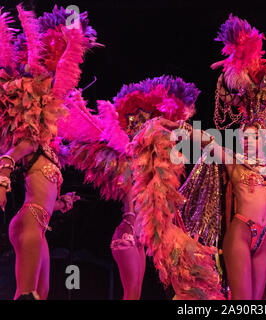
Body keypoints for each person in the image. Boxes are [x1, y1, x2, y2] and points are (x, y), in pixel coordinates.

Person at [173, 14, 266, 300]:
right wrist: (180, 127)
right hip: (240, 234)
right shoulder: (233, 160)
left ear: (264, 140)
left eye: (257, 137)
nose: (252, 141)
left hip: (264, 239)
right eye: (247, 137)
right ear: (240, 140)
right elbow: (206, 140)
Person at [60, 76, 223, 300]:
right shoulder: (127, 161)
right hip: (128, 236)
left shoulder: (151, 163)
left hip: (140, 236)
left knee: (179, 280)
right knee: (134, 295)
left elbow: (183, 136)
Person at [0, 5, 97, 299]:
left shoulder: (50, 150)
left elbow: (42, 193)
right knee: (27, 295)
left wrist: (62, 203)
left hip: (39, 224)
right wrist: (3, 179)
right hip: (29, 222)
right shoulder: (32, 140)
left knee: (39, 296)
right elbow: (13, 154)